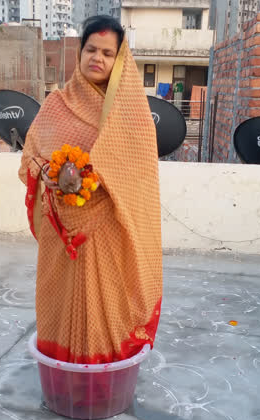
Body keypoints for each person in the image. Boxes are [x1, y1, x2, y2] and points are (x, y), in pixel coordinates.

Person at [18, 15, 162, 364]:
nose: (97, 58)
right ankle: (62, 369)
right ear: (80, 52)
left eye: (108, 53)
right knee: (61, 301)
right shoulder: (57, 104)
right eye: (91, 49)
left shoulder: (129, 113)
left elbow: (139, 172)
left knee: (104, 305)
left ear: (120, 60)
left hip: (107, 230)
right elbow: (31, 155)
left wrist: (95, 177)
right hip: (60, 232)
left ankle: (104, 376)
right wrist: (50, 172)